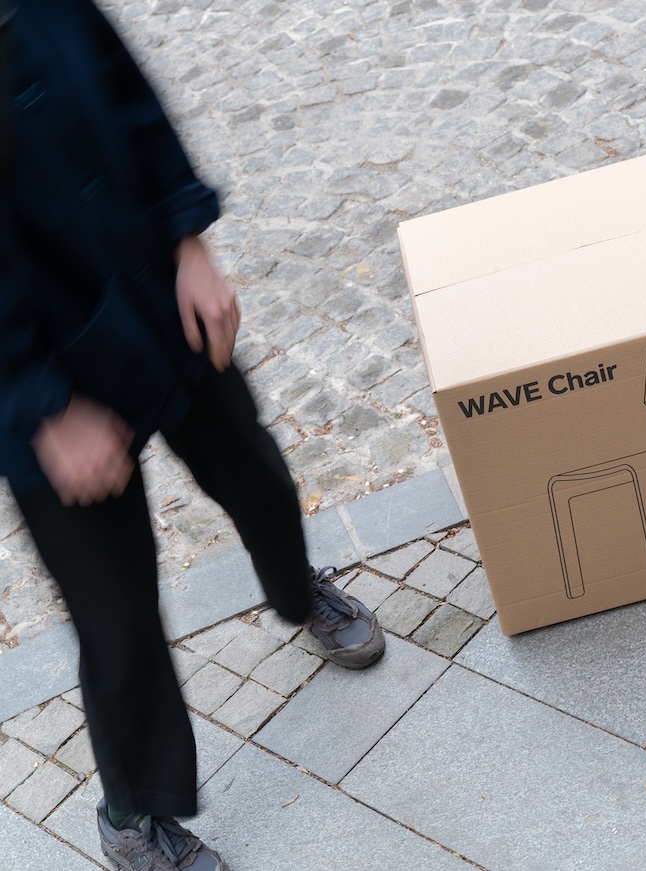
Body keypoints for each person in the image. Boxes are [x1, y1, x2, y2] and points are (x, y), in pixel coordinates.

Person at [0, 1, 385, 868]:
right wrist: (40, 407)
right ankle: (132, 814)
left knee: (253, 468)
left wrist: (188, 243)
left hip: (151, 299)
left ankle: (298, 592)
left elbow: (130, 99)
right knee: (117, 611)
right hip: (40, 388)